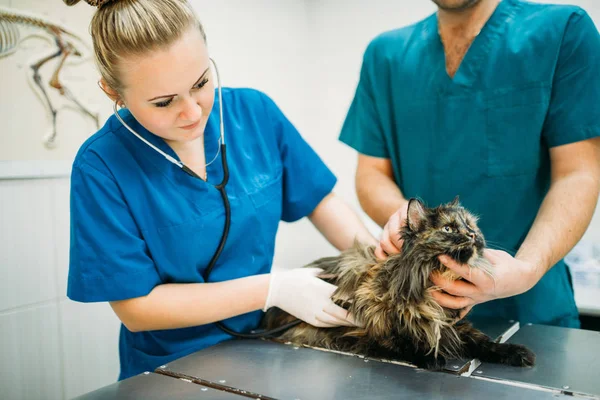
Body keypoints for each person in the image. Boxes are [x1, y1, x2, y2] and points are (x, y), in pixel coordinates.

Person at [65, 0, 376, 381]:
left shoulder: (255, 113)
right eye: (164, 102)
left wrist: (382, 267)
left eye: (200, 83)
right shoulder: (101, 166)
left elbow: (320, 201)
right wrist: (272, 289)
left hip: (267, 347)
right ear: (113, 92)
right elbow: (136, 308)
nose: (193, 112)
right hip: (170, 371)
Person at [339, 0, 600, 327]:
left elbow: (577, 173)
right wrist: (404, 216)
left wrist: (526, 269)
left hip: (529, 307)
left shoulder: (562, 31)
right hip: (420, 307)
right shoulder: (385, 56)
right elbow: (371, 173)